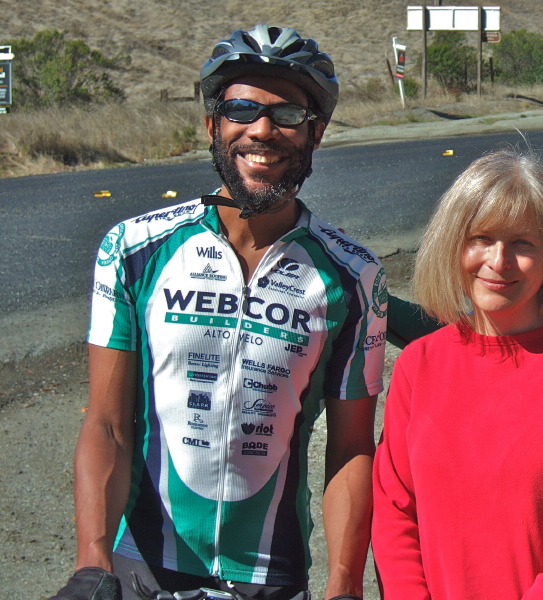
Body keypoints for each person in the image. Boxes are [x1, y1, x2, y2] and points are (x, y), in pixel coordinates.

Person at [51, 25, 386, 600]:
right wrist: (92, 564)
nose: (262, 129)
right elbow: (106, 422)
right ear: (213, 126)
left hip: (273, 576)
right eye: (240, 108)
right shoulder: (133, 249)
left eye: (288, 114)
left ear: (317, 134)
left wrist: (344, 583)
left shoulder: (353, 276)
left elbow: (352, 445)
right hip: (142, 568)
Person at [371, 149, 543, 599]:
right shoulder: (418, 363)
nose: (499, 261)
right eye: (481, 238)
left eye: (523, 243)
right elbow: (395, 509)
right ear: (453, 244)